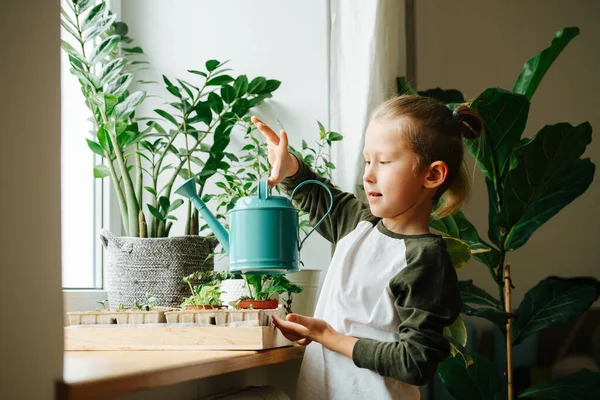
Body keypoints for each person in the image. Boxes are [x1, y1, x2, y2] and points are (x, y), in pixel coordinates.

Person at [250, 94, 483, 400]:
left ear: (432, 174)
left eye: (384, 162)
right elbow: (318, 196)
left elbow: (414, 362)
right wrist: (288, 166)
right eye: (367, 160)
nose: (368, 175)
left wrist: (327, 336)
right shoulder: (360, 225)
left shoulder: (424, 260)